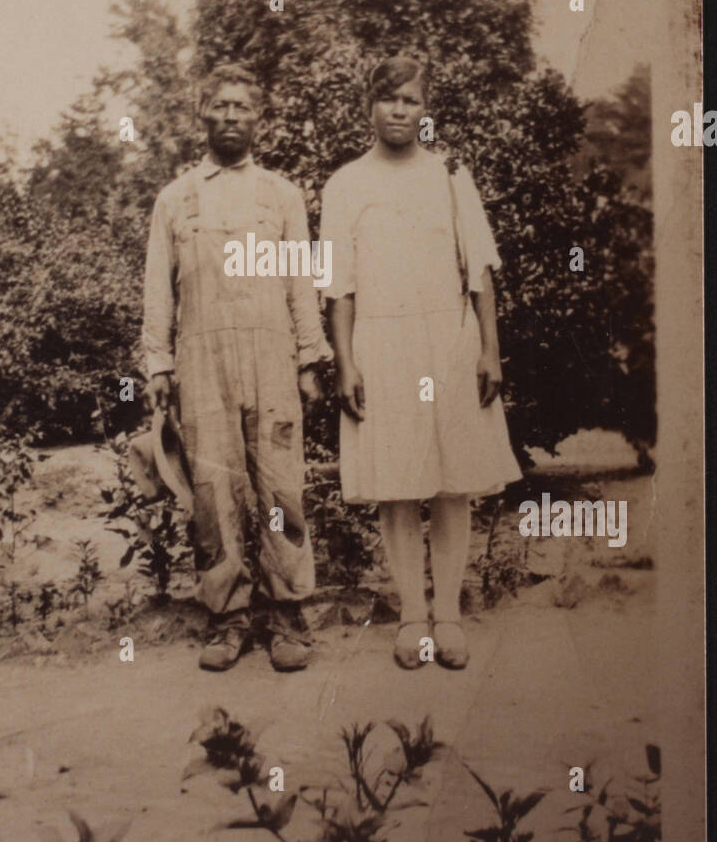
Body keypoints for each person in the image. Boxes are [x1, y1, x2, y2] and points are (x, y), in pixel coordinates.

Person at [319, 55, 521, 670]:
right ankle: (412, 616)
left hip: (449, 339)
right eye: (387, 100)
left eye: (409, 100)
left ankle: (451, 617)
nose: (399, 111)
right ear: (369, 108)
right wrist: (346, 362)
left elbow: (479, 269)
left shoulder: (451, 175)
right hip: (382, 344)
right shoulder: (344, 184)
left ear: (424, 107)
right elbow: (338, 286)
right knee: (399, 483)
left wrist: (489, 349)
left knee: (453, 480)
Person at [142, 63, 331, 671]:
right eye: (219, 106)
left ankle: (288, 618)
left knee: (279, 486)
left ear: (259, 120)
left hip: (272, 357)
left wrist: (309, 357)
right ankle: (227, 619)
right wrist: (158, 366)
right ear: (202, 114)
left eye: (241, 108)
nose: (229, 116)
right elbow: (157, 292)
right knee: (212, 491)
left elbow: (303, 281)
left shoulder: (282, 195)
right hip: (201, 361)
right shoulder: (174, 199)